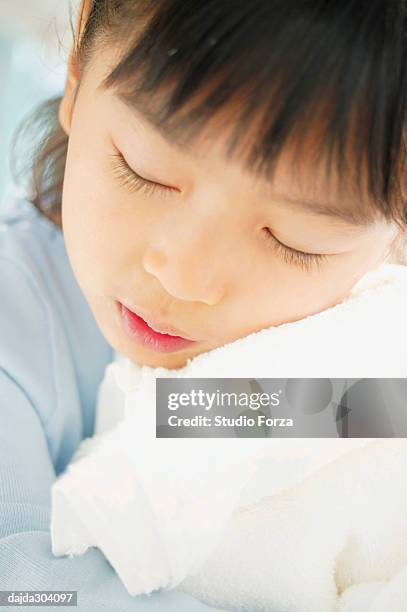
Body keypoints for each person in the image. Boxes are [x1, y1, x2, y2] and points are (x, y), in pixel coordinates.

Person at [1, 0, 407, 609]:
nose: (186, 277)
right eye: (146, 171)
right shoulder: (17, 313)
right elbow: (21, 583)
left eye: (294, 241)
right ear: (78, 68)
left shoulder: (357, 350)